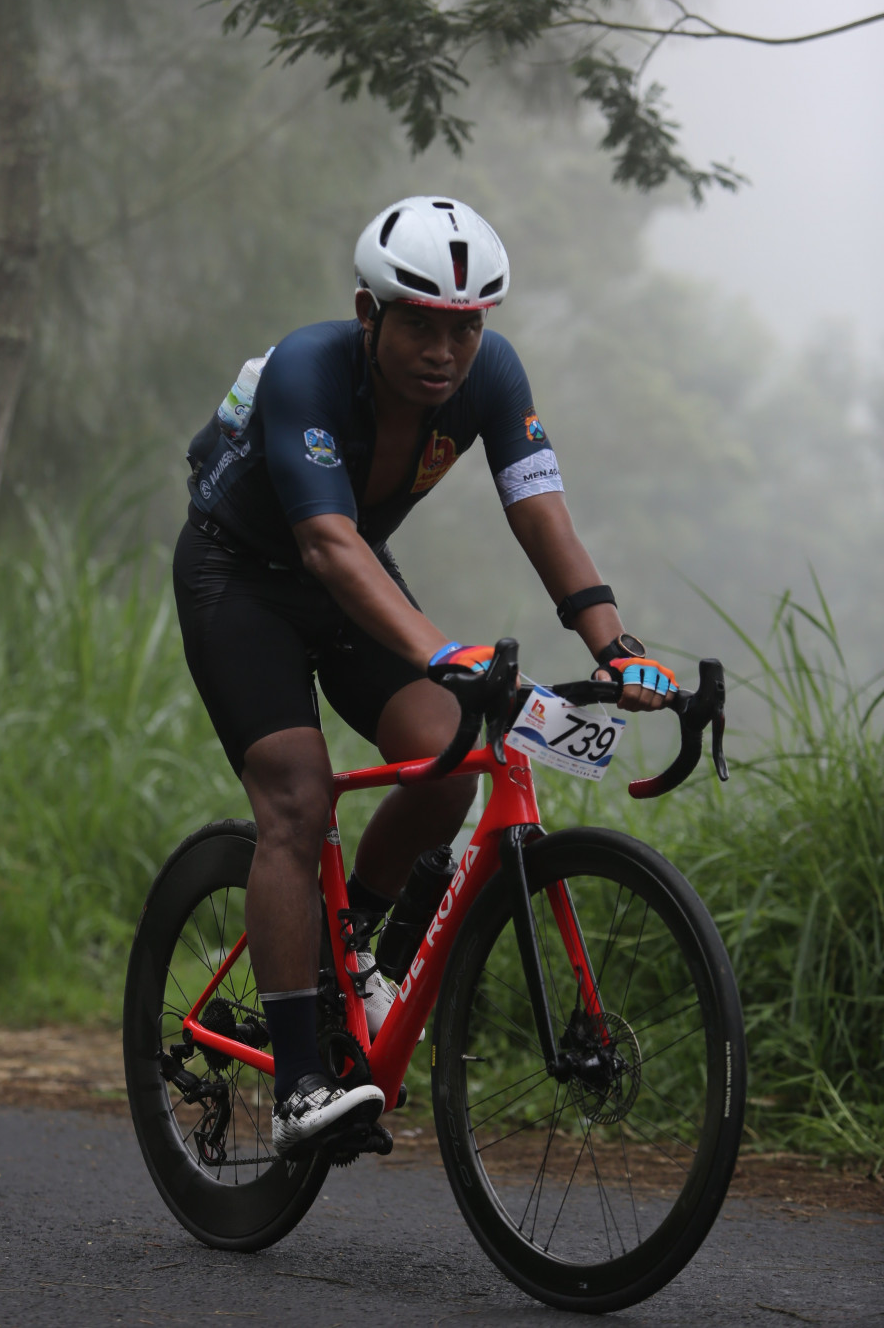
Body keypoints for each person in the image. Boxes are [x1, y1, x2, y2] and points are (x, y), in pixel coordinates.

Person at [173, 195, 676, 1154]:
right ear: (370, 314)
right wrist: (442, 650)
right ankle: (299, 1086)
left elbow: (541, 511)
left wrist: (614, 645)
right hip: (242, 578)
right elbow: (325, 542)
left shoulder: (493, 375)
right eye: (421, 326)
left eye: (466, 327)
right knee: (296, 799)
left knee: (447, 759)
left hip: (349, 574)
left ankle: (346, 948)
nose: (446, 351)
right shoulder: (308, 367)